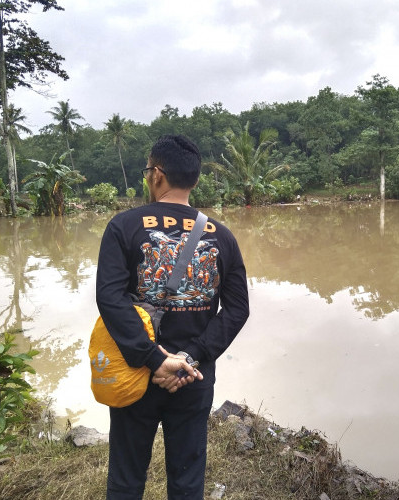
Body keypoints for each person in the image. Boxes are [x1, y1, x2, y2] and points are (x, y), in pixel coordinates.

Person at [96, 134, 250, 499]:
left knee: (126, 479)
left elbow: (110, 297)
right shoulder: (223, 236)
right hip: (192, 377)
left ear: (157, 174)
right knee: (186, 482)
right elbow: (238, 309)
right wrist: (189, 358)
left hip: (136, 373)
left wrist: (153, 359)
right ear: (193, 180)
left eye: (148, 170)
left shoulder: (125, 225)